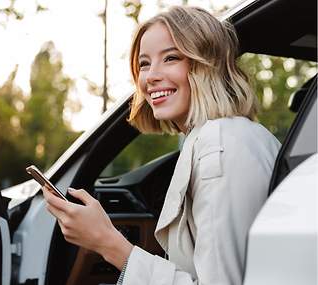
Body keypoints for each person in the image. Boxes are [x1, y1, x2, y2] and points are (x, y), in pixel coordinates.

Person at [43, 5, 281, 285]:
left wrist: (108, 242)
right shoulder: (220, 136)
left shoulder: (222, 144)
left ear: (206, 64)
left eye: (171, 58)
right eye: (144, 63)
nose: (151, 76)